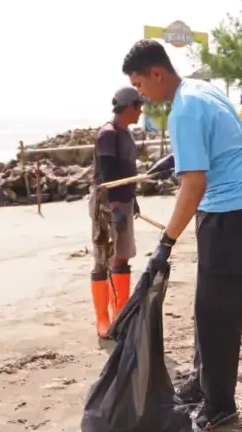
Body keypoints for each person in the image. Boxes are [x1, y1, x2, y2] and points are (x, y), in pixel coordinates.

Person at [121, 39, 242, 430]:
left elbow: (194, 185)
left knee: (216, 313)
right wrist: (176, 159)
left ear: (157, 73)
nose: (141, 94)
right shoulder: (202, 90)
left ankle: (220, 406)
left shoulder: (183, 109)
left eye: (139, 85)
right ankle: (202, 381)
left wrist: (166, 243)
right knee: (208, 304)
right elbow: (225, 143)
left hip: (229, 212)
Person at [88, 86, 144, 338]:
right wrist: (112, 210)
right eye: (138, 106)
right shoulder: (108, 134)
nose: (141, 110)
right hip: (107, 204)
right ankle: (102, 319)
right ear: (128, 106)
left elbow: (127, 172)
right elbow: (109, 177)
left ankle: (120, 314)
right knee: (103, 257)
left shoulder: (126, 134)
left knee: (122, 257)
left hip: (124, 200)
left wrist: (133, 199)